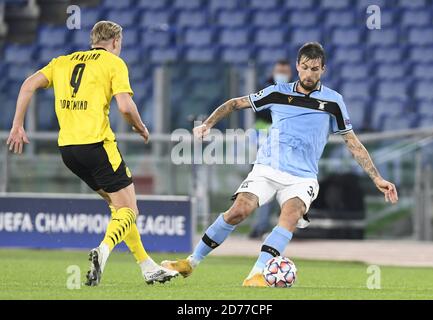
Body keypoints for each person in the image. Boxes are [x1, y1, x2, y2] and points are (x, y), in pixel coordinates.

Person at [161, 42, 398, 287]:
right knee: (239, 210)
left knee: (291, 213)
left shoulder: (333, 102)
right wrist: (208, 124)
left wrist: (377, 177)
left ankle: (257, 274)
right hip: (267, 168)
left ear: (323, 69)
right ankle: (191, 262)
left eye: (314, 69)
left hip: (302, 177)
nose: (308, 74)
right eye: (304, 68)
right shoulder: (277, 92)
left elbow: (352, 142)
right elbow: (234, 103)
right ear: (297, 66)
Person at [6, 21, 179, 286]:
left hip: (69, 151)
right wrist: (140, 126)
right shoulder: (113, 62)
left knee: (117, 207)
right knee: (130, 210)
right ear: (116, 42)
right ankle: (104, 249)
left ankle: (147, 266)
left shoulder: (62, 62)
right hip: (98, 146)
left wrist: (17, 124)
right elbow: (124, 105)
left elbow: (28, 85)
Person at [250, 59, 293, 239]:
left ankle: (273, 227)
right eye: (279, 70)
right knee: (261, 186)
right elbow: (260, 111)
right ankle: (260, 226)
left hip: (284, 146)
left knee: (282, 187)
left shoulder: (294, 89)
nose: (281, 74)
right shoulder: (264, 87)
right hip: (261, 145)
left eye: (284, 71)